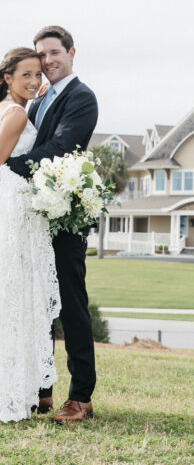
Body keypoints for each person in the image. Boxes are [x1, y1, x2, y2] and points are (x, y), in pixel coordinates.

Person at [7, 26, 99, 423]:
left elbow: (60, 149)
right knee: (38, 300)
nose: (47, 62)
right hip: (33, 217)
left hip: (65, 219)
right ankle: (40, 390)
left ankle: (81, 397)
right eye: (41, 55)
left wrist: (5, 168)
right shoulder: (38, 99)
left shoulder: (81, 98)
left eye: (54, 52)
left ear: (71, 52)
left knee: (71, 303)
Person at [0, 47, 61, 422]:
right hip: (15, 210)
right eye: (26, 74)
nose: (35, 81)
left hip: (16, 208)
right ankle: (11, 390)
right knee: (17, 295)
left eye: (37, 75)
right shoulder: (17, 113)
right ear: (7, 77)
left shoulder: (10, 108)